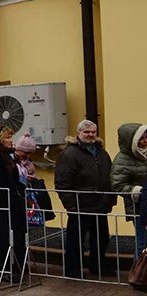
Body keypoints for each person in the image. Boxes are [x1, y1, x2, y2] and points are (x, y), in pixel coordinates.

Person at [55, 119, 114, 279]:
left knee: (101, 238)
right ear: (78, 133)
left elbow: (109, 177)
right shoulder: (69, 154)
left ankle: (98, 266)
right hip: (79, 206)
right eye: (86, 132)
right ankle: (73, 270)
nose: (90, 135)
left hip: (100, 204)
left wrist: (110, 201)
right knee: (75, 241)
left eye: (93, 132)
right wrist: (71, 205)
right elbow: (62, 183)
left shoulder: (102, 152)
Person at [0, 126, 26, 282]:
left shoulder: (8, 157)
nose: (11, 140)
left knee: (17, 236)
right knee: (3, 238)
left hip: (13, 202)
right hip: (2, 205)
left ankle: (18, 266)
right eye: (7, 138)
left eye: (11, 137)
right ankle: (4, 269)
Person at [110, 122, 147, 255]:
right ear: (131, 141)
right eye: (141, 138)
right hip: (138, 208)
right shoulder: (122, 160)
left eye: (146, 136)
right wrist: (138, 192)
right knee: (143, 244)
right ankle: (138, 274)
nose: (145, 141)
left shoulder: (145, 153)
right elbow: (118, 185)